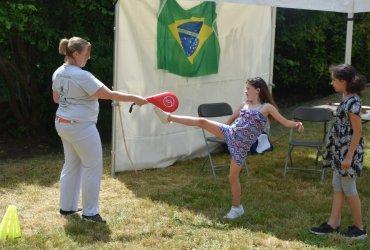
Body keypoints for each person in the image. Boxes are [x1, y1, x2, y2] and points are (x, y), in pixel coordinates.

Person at [153, 77, 304, 219]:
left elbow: (284, 122)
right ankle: (168, 118)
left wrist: (297, 124)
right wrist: (222, 129)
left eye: (248, 88)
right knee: (202, 121)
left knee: (232, 177)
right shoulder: (243, 104)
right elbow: (231, 119)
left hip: (242, 145)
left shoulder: (266, 107)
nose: (246, 91)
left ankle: (237, 208)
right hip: (230, 133)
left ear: (258, 90)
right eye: (245, 88)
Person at [52, 37, 147, 223]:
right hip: (80, 127)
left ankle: (67, 208)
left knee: (71, 164)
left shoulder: (58, 72)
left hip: (62, 123)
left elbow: (56, 99)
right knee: (92, 167)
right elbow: (109, 95)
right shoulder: (83, 76)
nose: (88, 58)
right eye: (86, 55)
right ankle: (90, 213)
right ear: (76, 53)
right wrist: (135, 98)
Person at [309, 64, 367, 239]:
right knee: (337, 186)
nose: (331, 82)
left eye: (334, 79)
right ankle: (332, 224)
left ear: (343, 81)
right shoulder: (347, 97)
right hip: (339, 150)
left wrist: (349, 156)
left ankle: (360, 229)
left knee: (349, 187)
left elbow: (358, 131)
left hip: (347, 152)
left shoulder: (353, 102)